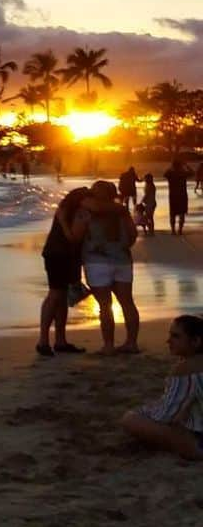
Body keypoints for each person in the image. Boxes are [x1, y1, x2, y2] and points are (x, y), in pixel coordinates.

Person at [71, 180, 140, 355]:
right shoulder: (122, 211)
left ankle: (109, 345)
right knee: (128, 303)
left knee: (105, 305)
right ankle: (131, 343)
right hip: (122, 260)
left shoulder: (86, 211)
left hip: (96, 261)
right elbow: (132, 235)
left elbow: (77, 236)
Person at [121, 315, 203, 460]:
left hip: (199, 437)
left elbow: (166, 415)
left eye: (176, 336)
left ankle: (194, 451)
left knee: (130, 419)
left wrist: (142, 412)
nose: (168, 341)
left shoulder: (186, 369)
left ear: (196, 341)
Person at [37, 187, 91, 356]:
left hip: (57, 254)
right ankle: (44, 340)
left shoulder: (65, 210)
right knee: (55, 295)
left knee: (60, 297)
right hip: (61, 256)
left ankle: (59, 340)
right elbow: (73, 238)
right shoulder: (78, 212)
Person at [165, 157, 190, 234]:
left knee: (172, 214)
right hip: (182, 196)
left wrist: (171, 167)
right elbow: (192, 172)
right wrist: (186, 166)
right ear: (180, 165)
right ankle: (180, 230)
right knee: (182, 214)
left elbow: (165, 174)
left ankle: (173, 230)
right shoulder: (183, 173)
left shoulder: (170, 174)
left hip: (173, 196)